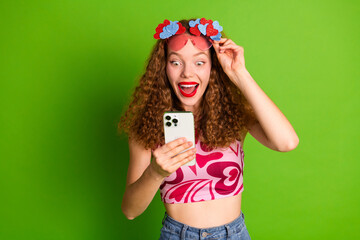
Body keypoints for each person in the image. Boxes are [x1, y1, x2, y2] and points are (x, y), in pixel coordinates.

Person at [118, 18, 299, 240]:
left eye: (199, 62)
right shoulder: (147, 128)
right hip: (177, 235)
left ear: (213, 67)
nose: (187, 73)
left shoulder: (234, 114)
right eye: (176, 62)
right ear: (163, 68)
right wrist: (156, 172)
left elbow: (287, 142)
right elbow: (130, 211)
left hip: (234, 234)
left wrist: (239, 72)